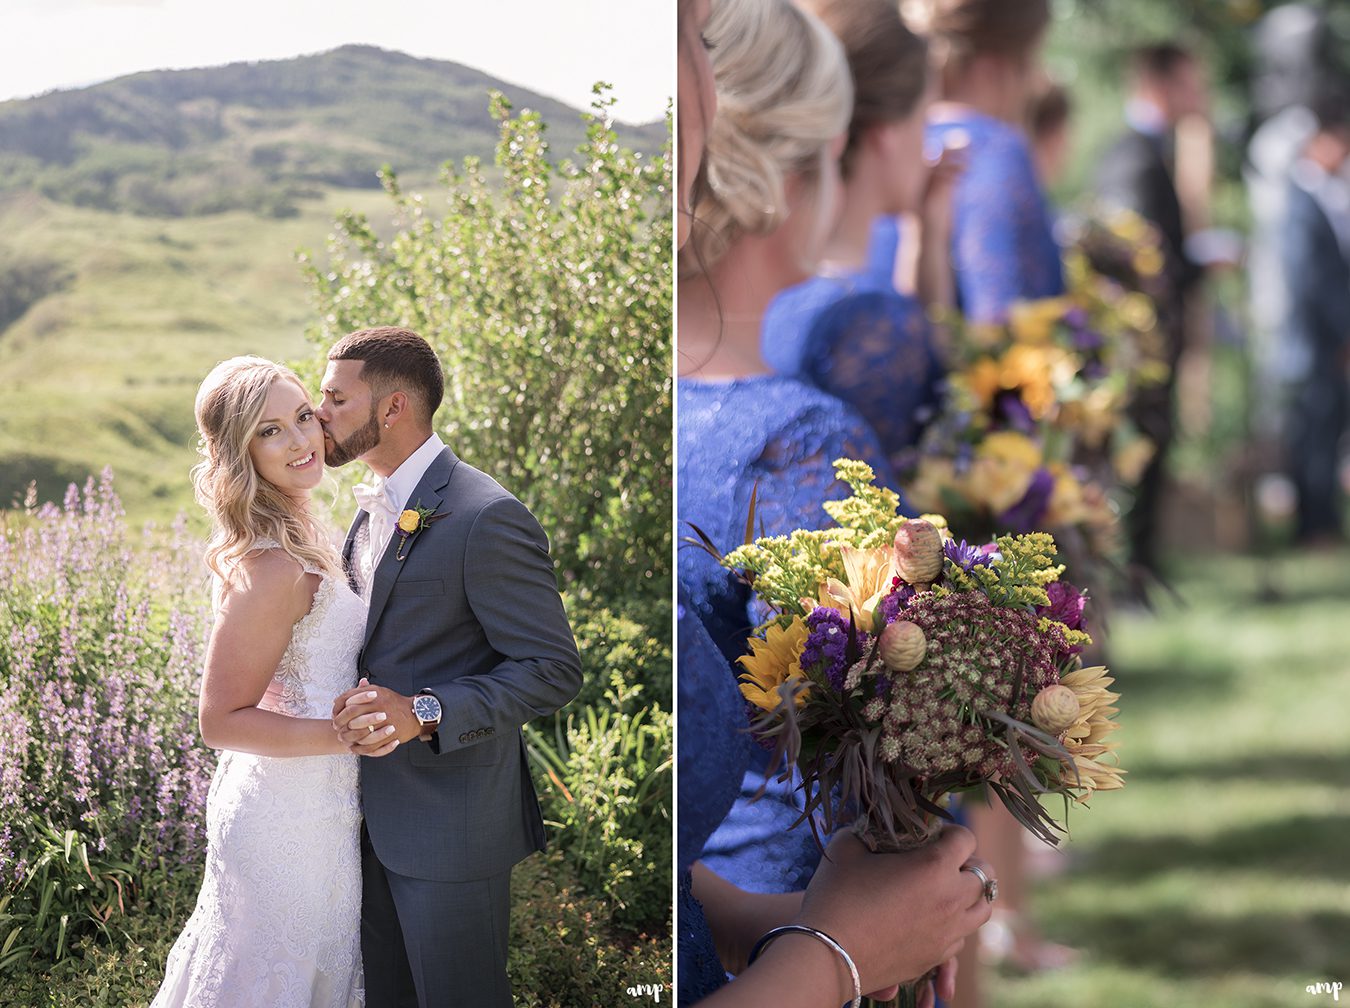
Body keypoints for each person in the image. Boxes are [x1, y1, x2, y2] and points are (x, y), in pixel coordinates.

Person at [677, 1, 992, 1005]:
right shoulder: (796, 444)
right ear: (804, 171)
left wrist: (727, 913)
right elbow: (882, 759)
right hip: (812, 909)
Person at [319, 326, 583, 1008]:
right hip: (360, 820)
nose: (322, 414)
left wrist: (425, 711)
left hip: (449, 831)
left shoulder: (485, 515)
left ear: (393, 408)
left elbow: (553, 668)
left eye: (336, 398)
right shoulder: (369, 508)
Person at [153, 356, 382, 1007]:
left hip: (327, 809)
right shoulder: (270, 566)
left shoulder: (305, 527)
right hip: (285, 820)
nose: (302, 440)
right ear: (239, 451)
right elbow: (220, 718)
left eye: (303, 416)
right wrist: (348, 736)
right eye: (270, 430)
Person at [762, 0, 951, 473]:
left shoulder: (769, 283)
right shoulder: (870, 319)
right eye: (925, 119)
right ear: (888, 132)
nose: (930, 145)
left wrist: (924, 235)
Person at [1095, 43, 1212, 582]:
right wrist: (1202, 265)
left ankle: (1144, 571)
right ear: (1162, 85)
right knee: (1138, 460)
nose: (1200, 94)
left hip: (1155, 342)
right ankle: (1134, 576)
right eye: (1191, 82)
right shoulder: (1134, 157)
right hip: (1143, 347)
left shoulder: (1149, 150)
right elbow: (1141, 262)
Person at [902, 0, 1062, 323]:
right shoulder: (999, 153)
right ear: (996, 65)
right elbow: (1006, 321)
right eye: (1030, 61)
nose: (1033, 83)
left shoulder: (896, 144)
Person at [1279, 88, 1350, 544]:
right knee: (1317, 432)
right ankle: (1316, 526)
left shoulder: (1318, 194)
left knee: (1324, 428)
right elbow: (1315, 281)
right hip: (1317, 340)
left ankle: (1319, 521)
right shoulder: (1302, 199)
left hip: (1323, 338)